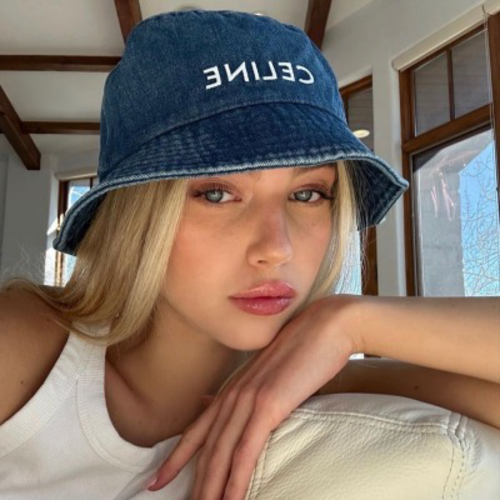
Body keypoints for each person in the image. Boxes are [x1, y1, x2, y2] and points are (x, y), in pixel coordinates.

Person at [0, 9, 499, 500]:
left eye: (308, 194)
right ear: (137, 213)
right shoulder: (31, 352)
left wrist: (350, 321)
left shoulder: (313, 383)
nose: (276, 248)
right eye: (217, 193)